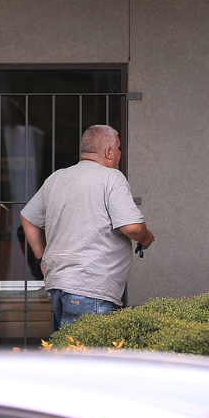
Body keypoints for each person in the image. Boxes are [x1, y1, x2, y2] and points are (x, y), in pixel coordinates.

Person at [21, 124, 155, 331]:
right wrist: (146, 239)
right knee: (87, 359)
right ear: (108, 152)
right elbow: (133, 227)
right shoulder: (111, 177)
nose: (120, 154)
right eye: (119, 149)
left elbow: (27, 218)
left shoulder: (57, 178)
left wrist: (42, 259)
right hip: (90, 288)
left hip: (59, 285)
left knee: (67, 354)